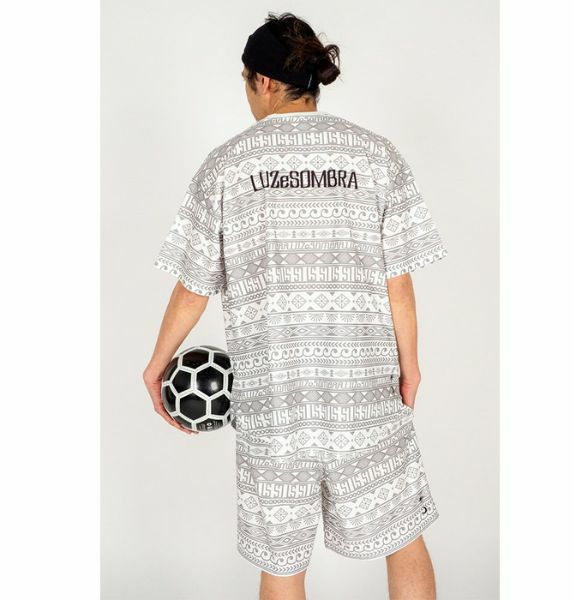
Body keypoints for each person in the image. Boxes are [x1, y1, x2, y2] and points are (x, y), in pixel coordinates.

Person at [143, 11, 448, 600]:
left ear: (262, 80)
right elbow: (399, 283)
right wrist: (410, 368)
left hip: (273, 401)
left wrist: (158, 364)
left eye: (245, 81)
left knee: (281, 564)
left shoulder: (227, 165)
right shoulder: (375, 155)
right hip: (364, 392)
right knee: (403, 536)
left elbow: (193, 286)